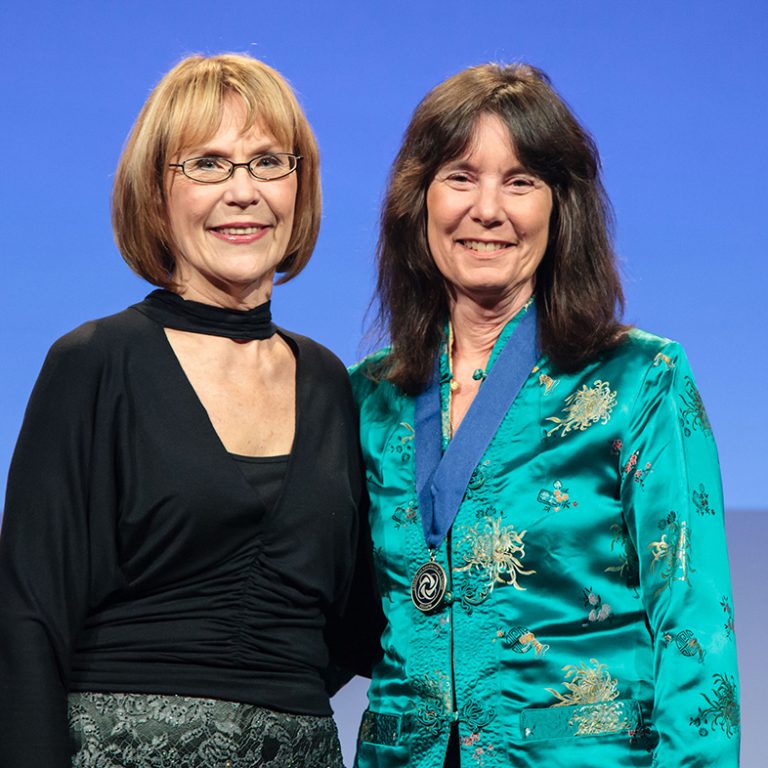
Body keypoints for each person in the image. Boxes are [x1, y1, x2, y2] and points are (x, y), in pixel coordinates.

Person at [350, 63, 739, 767]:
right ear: (419, 201)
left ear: (561, 207)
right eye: (460, 177)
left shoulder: (638, 381)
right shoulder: (367, 399)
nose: (488, 209)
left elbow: (694, 630)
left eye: (521, 181)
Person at [0, 53, 364, 768]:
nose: (243, 192)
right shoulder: (96, 363)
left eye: (267, 163)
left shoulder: (329, 382)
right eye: (206, 164)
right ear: (154, 193)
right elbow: (26, 623)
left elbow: (352, 628)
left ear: (301, 187)